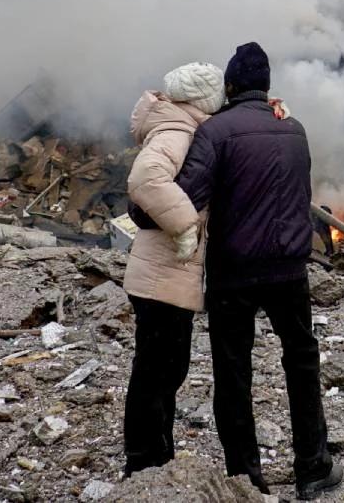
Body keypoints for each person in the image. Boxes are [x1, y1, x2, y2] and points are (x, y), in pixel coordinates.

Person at [176, 42, 342, 499]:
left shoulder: (215, 131)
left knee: (233, 373)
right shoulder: (294, 128)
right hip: (290, 267)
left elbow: (188, 198)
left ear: (230, 86)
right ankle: (313, 467)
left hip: (234, 271)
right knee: (302, 361)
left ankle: (247, 479)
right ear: (266, 86)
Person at [122, 62, 225, 476]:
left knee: (165, 368)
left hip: (163, 276)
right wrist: (184, 225)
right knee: (157, 371)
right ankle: (144, 463)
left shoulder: (179, 126)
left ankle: (155, 457)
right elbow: (146, 178)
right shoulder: (176, 132)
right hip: (161, 275)